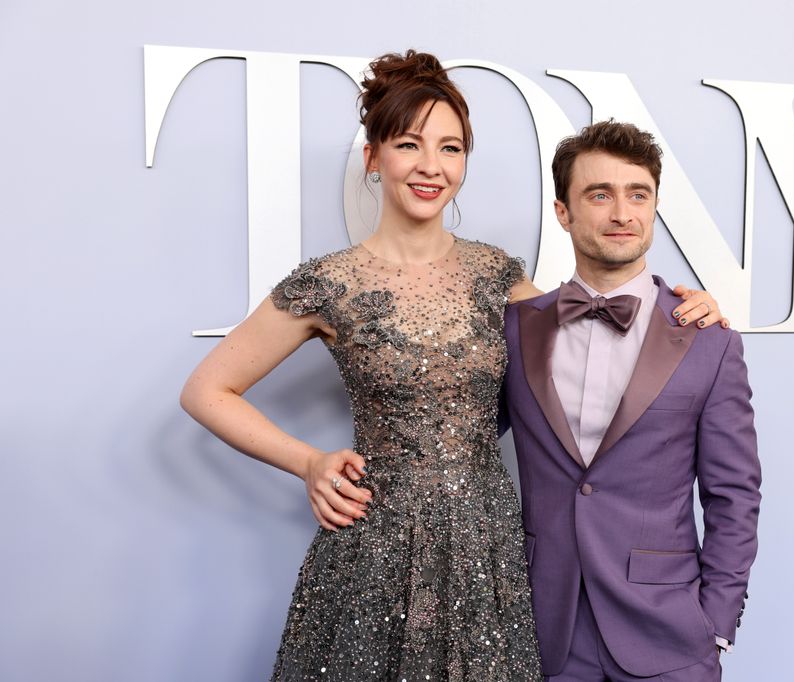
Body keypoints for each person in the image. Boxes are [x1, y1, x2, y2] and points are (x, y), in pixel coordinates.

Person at [179, 52, 722, 681]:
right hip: (372, 544)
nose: (431, 167)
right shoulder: (328, 283)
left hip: (485, 547)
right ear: (373, 158)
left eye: (452, 148)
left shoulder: (497, 274)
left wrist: (684, 309)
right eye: (409, 144)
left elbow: (593, 334)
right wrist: (309, 462)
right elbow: (206, 389)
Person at [500, 121, 761, 682]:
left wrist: (715, 622)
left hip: (669, 636)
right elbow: (457, 438)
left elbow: (734, 495)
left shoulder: (707, 339)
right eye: (599, 194)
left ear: (655, 205)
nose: (622, 213)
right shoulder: (514, 328)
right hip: (544, 629)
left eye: (637, 195)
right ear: (562, 211)